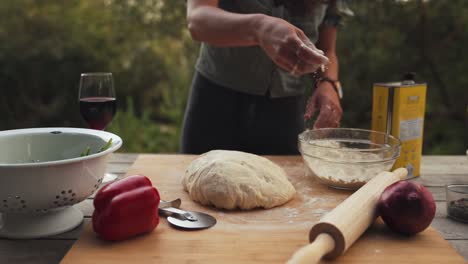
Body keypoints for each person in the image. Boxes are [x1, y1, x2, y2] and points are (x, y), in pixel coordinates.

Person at [181, 0, 353, 155]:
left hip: (286, 114)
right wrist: (260, 28)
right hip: (215, 102)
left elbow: (328, 49)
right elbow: (198, 19)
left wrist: (328, 83)